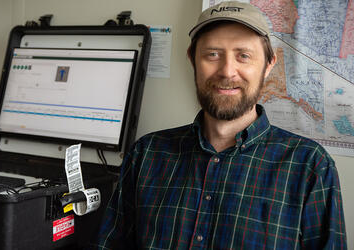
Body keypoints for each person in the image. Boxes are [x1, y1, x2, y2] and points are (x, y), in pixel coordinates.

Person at [92, 1, 347, 249]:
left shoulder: (310, 166)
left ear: (269, 65)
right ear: (193, 59)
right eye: (213, 54)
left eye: (244, 56)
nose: (227, 71)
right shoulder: (146, 154)